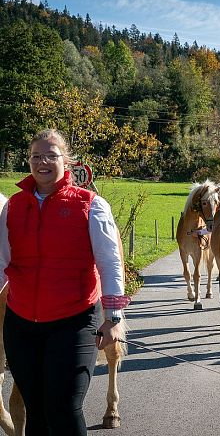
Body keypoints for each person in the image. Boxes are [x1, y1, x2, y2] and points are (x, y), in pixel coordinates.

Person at [0, 129, 130, 435]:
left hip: (73, 323)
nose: (42, 161)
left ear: (66, 161)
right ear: (28, 161)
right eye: (35, 156)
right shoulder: (13, 207)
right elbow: (1, 262)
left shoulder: (91, 205)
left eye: (51, 155)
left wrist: (113, 317)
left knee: (63, 409)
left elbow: (110, 264)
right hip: (21, 327)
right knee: (36, 411)